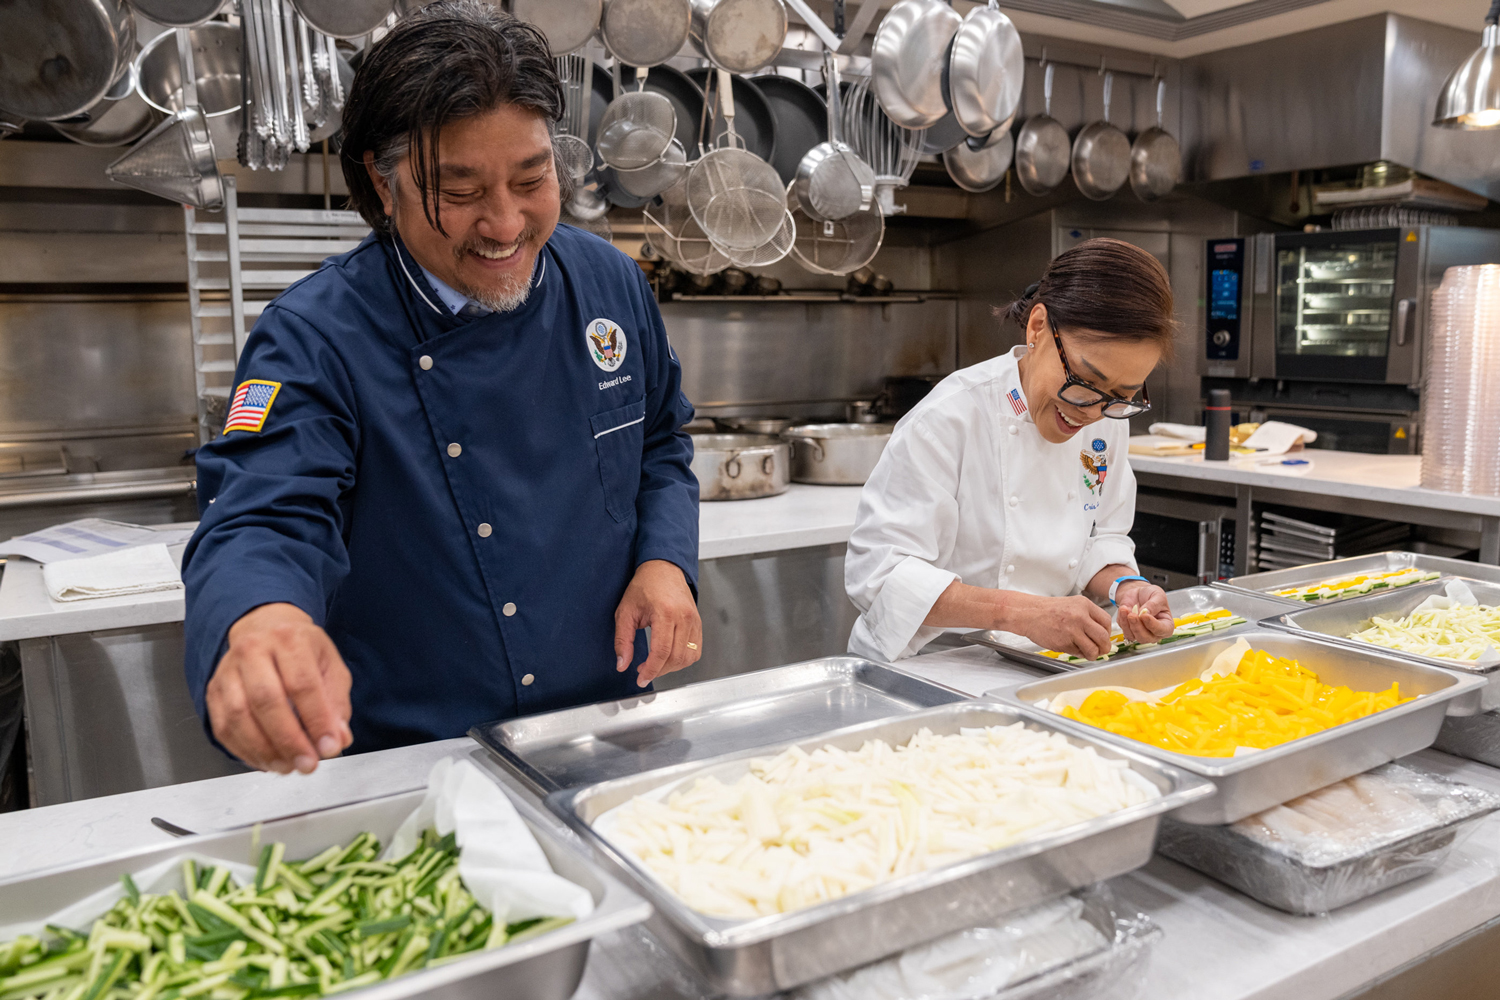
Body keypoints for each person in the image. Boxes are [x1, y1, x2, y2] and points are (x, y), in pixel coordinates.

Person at [181, 1, 702, 776]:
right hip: (414, 762)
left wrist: (665, 560)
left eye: (532, 180)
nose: (504, 224)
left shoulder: (610, 285)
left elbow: (660, 440)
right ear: (382, 184)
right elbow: (264, 512)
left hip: (605, 734)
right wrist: (260, 619)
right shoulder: (316, 335)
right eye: (459, 192)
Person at [845, 238, 1176, 662]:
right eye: (1085, 381)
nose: (1092, 412)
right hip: (928, 666)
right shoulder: (950, 418)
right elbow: (878, 576)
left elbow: (1099, 537)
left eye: (1120, 395)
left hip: (1039, 662)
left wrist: (1127, 589)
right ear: (1037, 327)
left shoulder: (1104, 421)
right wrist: (1024, 613)